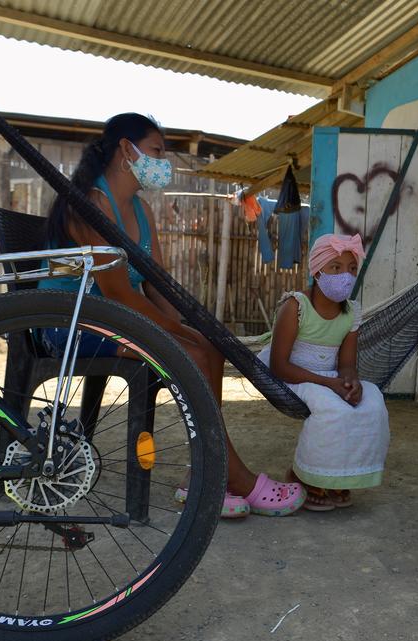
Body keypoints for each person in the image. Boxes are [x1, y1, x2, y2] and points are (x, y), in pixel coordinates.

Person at [40, 113, 305, 518]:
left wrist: (188, 329)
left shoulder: (141, 210)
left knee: (208, 350)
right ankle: (227, 475)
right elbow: (119, 294)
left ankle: (201, 471)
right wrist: (176, 334)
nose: (164, 163)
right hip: (71, 326)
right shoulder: (90, 204)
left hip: (116, 321)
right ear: (126, 150)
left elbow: (155, 285)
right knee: (193, 354)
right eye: (157, 151)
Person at [258, 233, 390, 511]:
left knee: (373, 401)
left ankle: (342, 475)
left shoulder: (351, 312)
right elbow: (279, 366)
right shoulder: (296, 306)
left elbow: (346, 363)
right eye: (335, 268)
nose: (345, 276)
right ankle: (304, 474)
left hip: (327, 377)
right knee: (334, 410)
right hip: (291, 376)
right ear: (317, 271)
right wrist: (330, 385)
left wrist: (350, 380)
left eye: (352, 269)